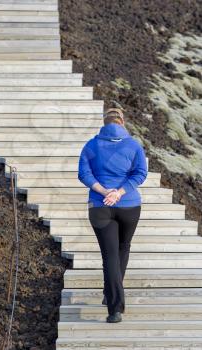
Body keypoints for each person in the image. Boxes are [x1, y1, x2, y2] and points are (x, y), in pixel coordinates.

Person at [78, 108, 148, 323]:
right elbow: (140, 173)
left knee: (109, 255)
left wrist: (103, 191)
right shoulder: (134, 145)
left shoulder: (91, 145)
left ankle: (114, 307)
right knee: (123, 248)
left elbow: (84, 174)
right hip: (129, 204)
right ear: (122, 121)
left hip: (100, 206)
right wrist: (119, 192)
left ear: (104, 123)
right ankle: (113, 295)